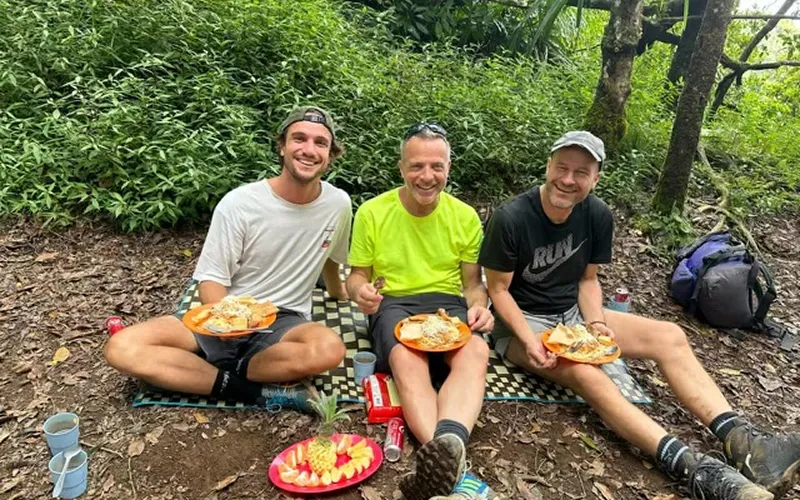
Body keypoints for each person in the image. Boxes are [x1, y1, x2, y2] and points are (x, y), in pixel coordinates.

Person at [479, 130, 800, 500]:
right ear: (548, 166)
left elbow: (587, 280)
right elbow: (498, 290)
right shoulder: (512, 217)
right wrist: (528, 340)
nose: (568, 180)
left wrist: (596, 323)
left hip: (572, 315)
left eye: (581, 172)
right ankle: (698, 471)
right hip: (521, 322)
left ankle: (747, 445)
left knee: (670, 336)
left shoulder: (597, 214)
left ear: (595, 177)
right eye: (562, 168)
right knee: (592, 376)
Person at [105, 106, 352, 410]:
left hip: (283, 320)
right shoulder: (240, 203)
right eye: (299, 138)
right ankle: (249, 391)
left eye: (320, 143)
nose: (308, 150)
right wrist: (227, 325)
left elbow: (330, 257)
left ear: (330, 154)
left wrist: (341, 293)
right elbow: (212, 279)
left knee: (329, 349)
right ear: (282, 146)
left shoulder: (338, 204)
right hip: (225, 311)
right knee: (122, 347)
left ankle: (216, 373)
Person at [346, 123, 496, 500]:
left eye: (436, 166)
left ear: (448, 168)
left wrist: (480, 307)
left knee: (476, 350)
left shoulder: (464, 216)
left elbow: (473, 284)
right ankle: (455, 472)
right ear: (401, 168)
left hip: (447, 305)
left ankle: (444, 459)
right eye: (416, 166)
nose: (426, 177)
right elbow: (357, 276)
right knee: (407, 358)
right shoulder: (372, 211)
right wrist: (359, 292)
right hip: (394, 303)